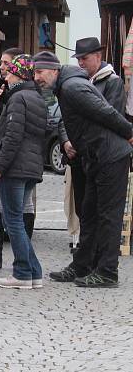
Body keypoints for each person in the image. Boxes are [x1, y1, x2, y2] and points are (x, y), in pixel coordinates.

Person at [34, 50, 133, 288]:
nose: (36, 77)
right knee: (88, 213)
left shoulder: (72, 88)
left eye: (40, 72)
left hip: (110, 156)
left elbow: (107, 112)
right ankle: (82, 265)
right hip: (96, 157)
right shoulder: (66, 86)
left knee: (108, 216)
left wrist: (130, 133)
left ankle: (108, 272)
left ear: (54, 70)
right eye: (34, 72)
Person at [59, 37, 126, 256]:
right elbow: (65, 119)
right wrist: (66, 140)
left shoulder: (112, 82)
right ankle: (84, 255)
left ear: (98, 56)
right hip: (80, 155)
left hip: (99, 154)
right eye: (78, 59)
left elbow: (109, 116)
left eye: (84, 58)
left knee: (99, 210)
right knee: (83, 209)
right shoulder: (76, 82)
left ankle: (96, 257)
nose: (80, 63)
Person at [0, 47, 36, 271]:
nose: (2, 67)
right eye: (1, 63)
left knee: (24, 205)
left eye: (6, 63)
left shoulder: (25, 93)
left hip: (19, 155)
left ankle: (23, 255)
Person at [0, 55, 47, 289]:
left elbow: (12, 136)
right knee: (16, 220)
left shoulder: (18, 98)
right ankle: (34, 272)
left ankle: (23, 272)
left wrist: (0, 166)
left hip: (15, 167)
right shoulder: (37, 97)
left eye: (12, 73)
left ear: (20, 76)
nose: (8, 76)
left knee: (12, 220)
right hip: (31, 166)